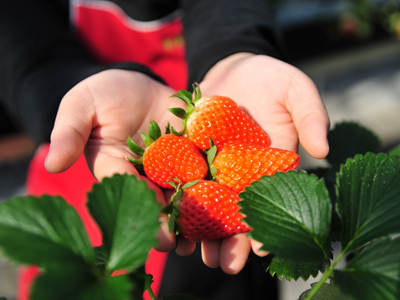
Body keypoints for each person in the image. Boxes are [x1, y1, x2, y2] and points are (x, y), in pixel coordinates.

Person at [0, 0, 330, 299]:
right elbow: (22, 46)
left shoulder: (208, 142)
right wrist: (64, 89)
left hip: (195, 209)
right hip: (97, 155)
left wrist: (235, 51)